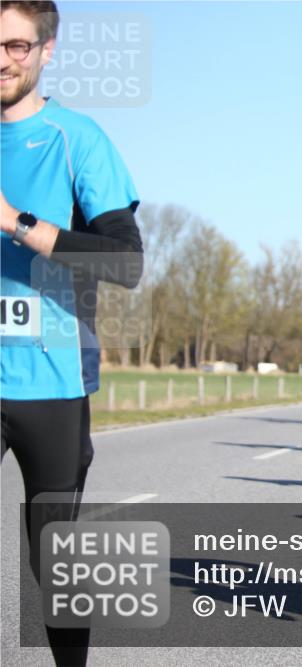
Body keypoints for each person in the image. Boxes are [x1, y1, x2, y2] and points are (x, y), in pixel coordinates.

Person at [1, 3, 143, 664]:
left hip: (48, 382)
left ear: (47, 50)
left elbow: (125, 262)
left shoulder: (75, 139)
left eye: (16, 46)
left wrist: (16, 222)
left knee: (52, 553)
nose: (2, 59)